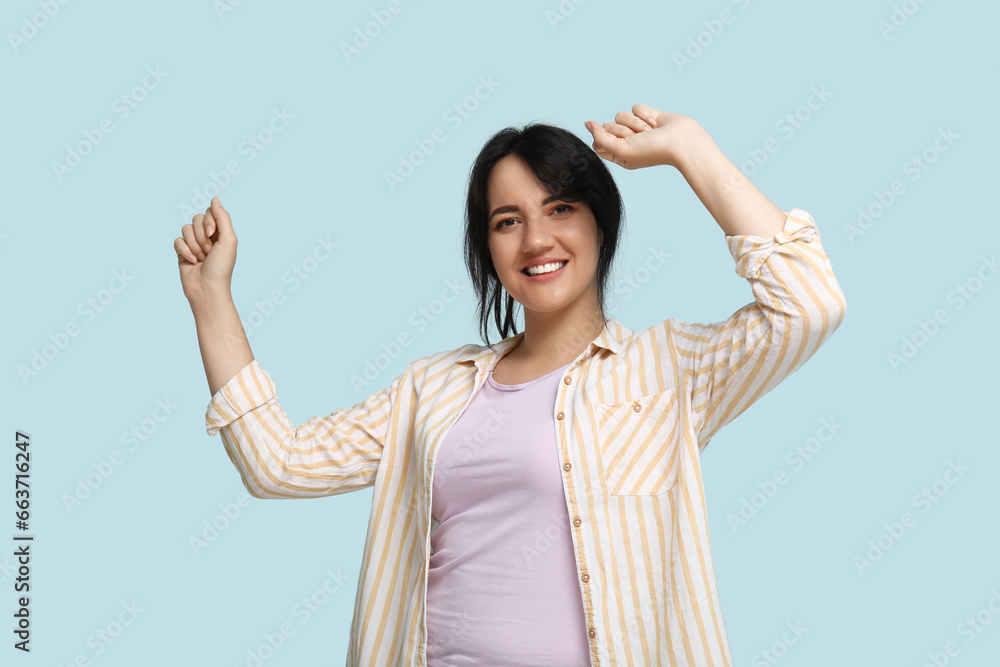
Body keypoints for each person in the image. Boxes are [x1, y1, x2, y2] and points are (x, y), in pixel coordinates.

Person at [175, 103, 846, 667]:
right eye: (507, 220)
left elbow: (808, 304)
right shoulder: (431, 389)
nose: (536, 238)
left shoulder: (669, 369)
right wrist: (211, 299)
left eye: (560, 207)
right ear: (487, 250)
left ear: (599, 223)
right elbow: (278, 461)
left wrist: (687, 148)